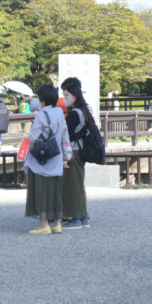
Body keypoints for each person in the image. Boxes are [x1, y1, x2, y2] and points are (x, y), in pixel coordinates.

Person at [24, 84, 72, 234]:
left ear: (42, 100)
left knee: (41, 191)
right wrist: (66, 157)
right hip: (56, 157)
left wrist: (24, 149)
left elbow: (33, 138)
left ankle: (44, 225)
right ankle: (57, 224)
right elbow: (65, 134)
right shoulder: (59, 112)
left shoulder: (40, 115)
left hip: (42, 159)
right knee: (56, 191)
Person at [60, 77, 92, 229]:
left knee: (73, 186)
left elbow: (67, 135)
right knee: (78, 184)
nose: (65, 98)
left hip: (73, 151)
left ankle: (75, 218)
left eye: (67, 95)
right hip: (81, 150)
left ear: (75, 95)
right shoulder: (85, 110)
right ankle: (83, 216)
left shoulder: (74, 113)